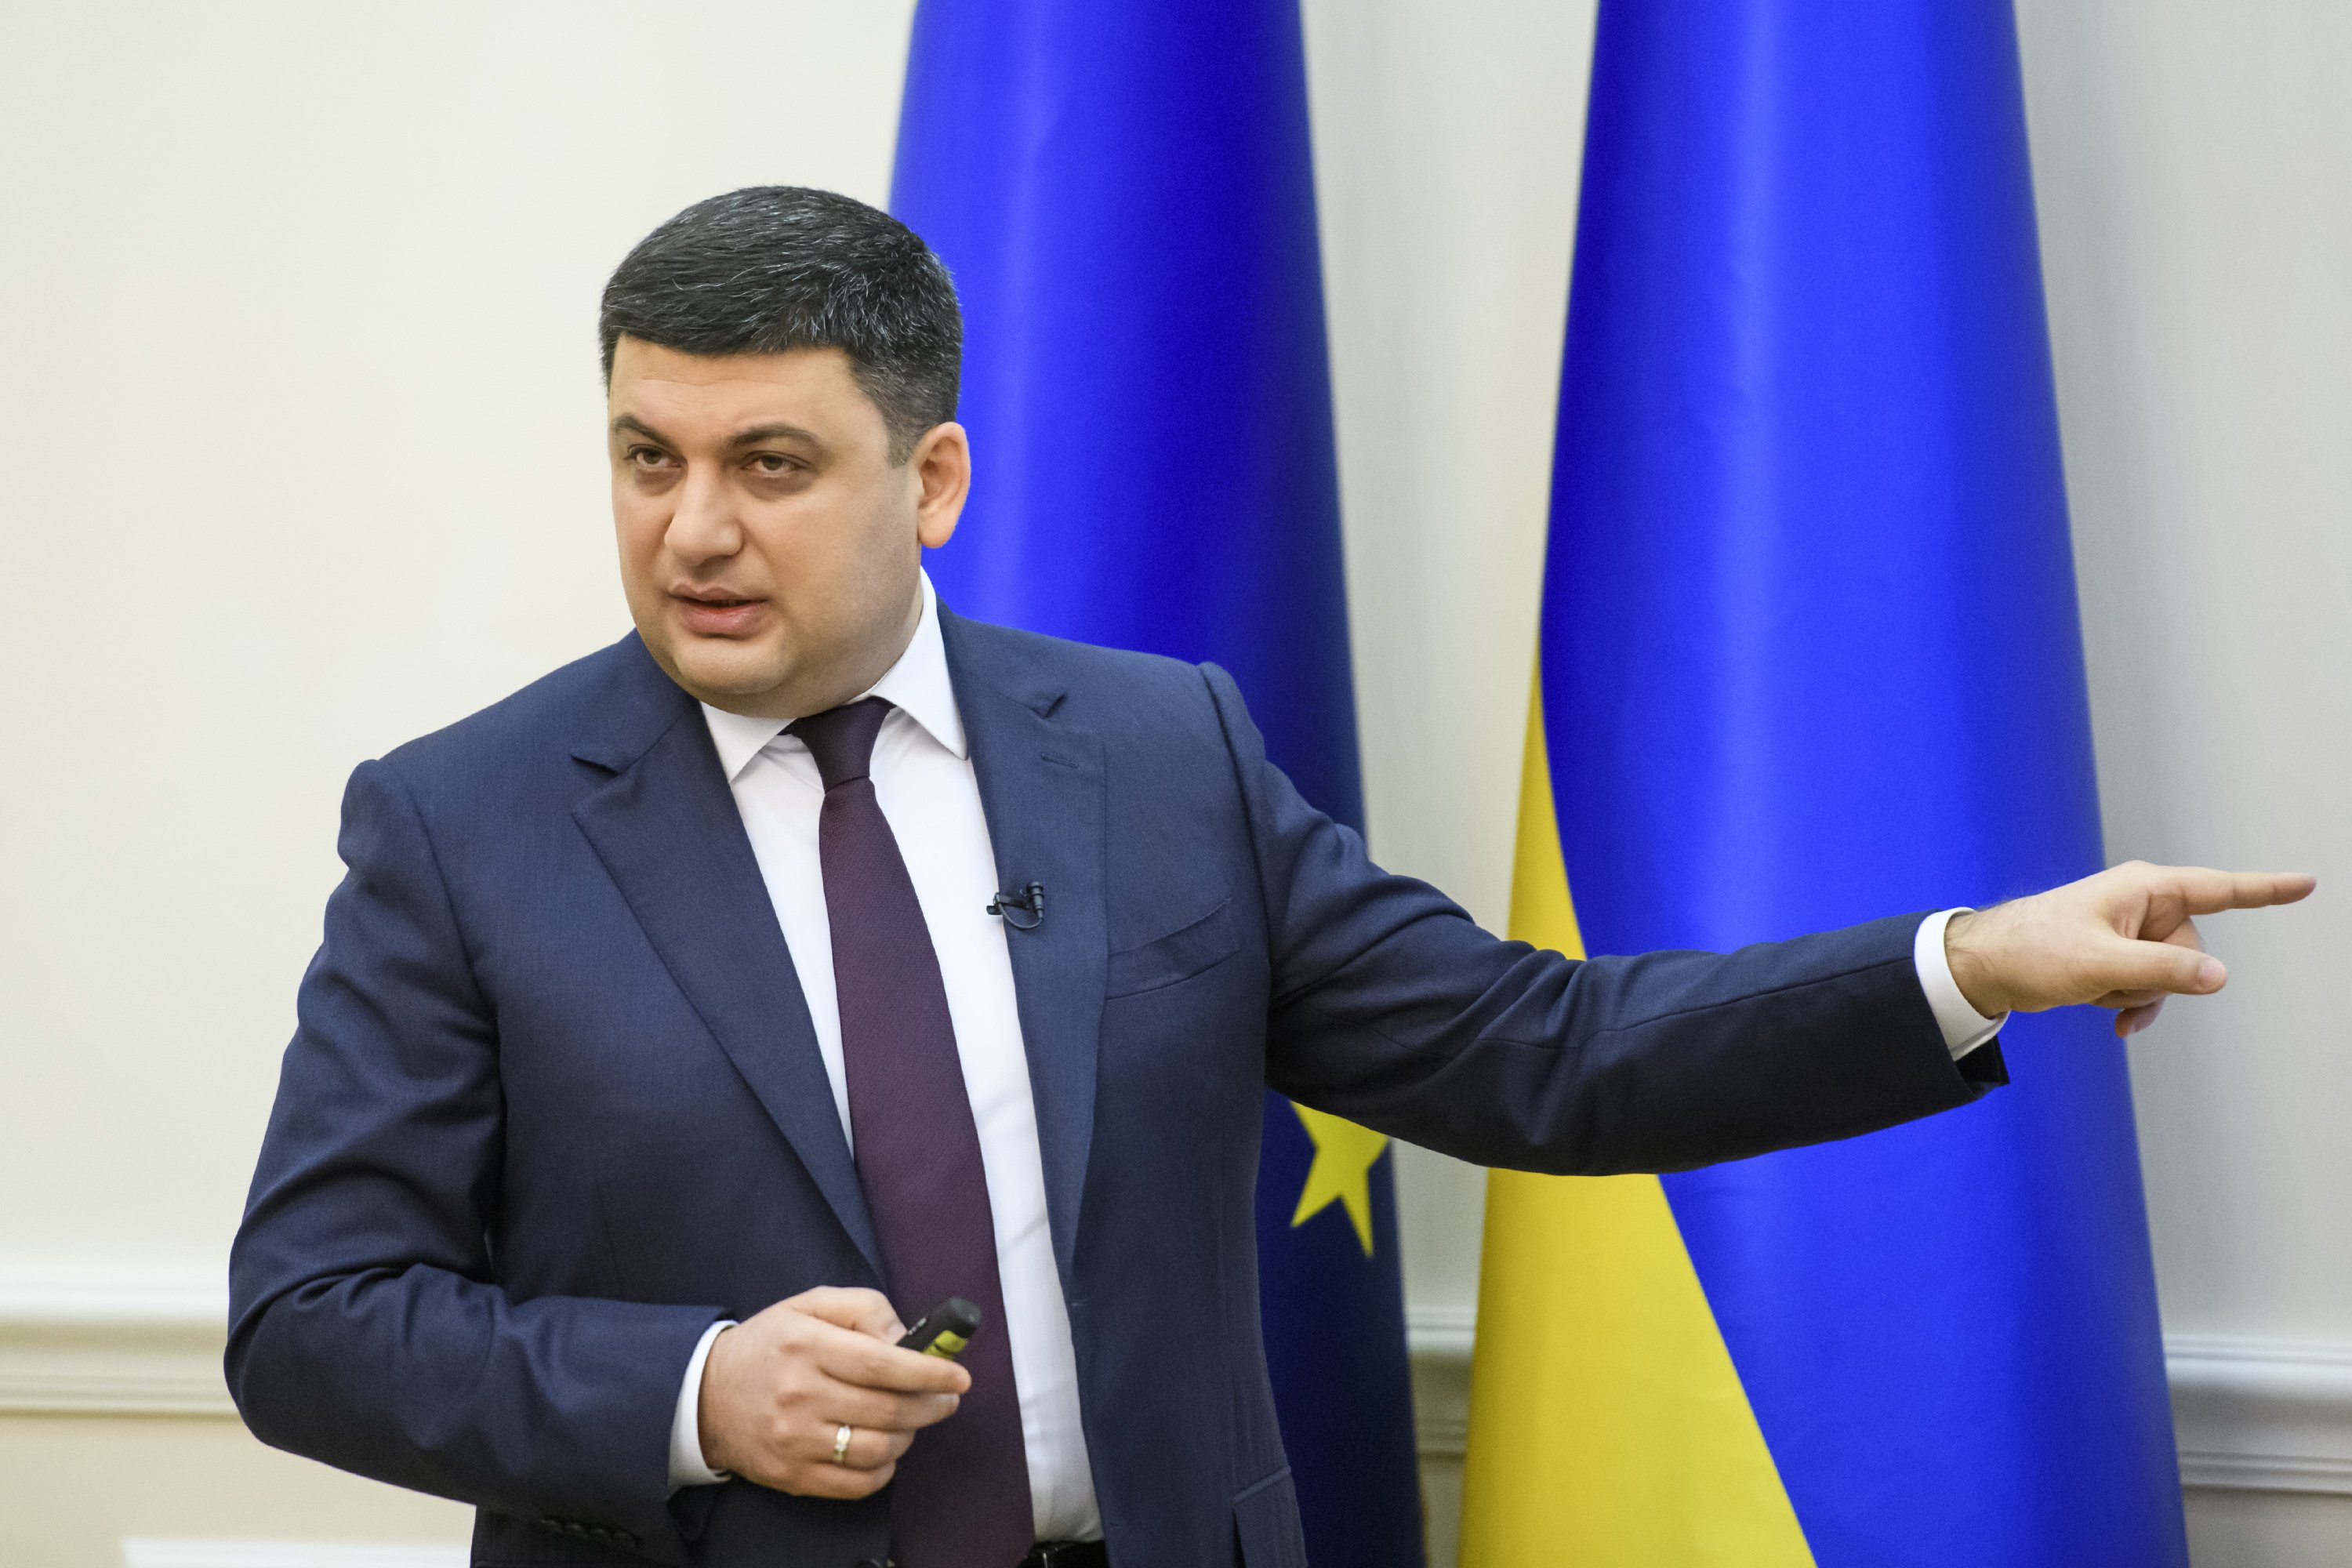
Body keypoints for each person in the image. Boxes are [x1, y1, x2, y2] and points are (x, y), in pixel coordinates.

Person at [225, 187, 2314, 1568]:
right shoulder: (465, 824)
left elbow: (1545, 1055)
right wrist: (692, 1392)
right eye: (646, 457)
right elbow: (310, 1319)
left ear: (930, 479)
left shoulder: (1160, 755)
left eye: (768, 465)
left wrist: (1968, 962)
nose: (691, 530)